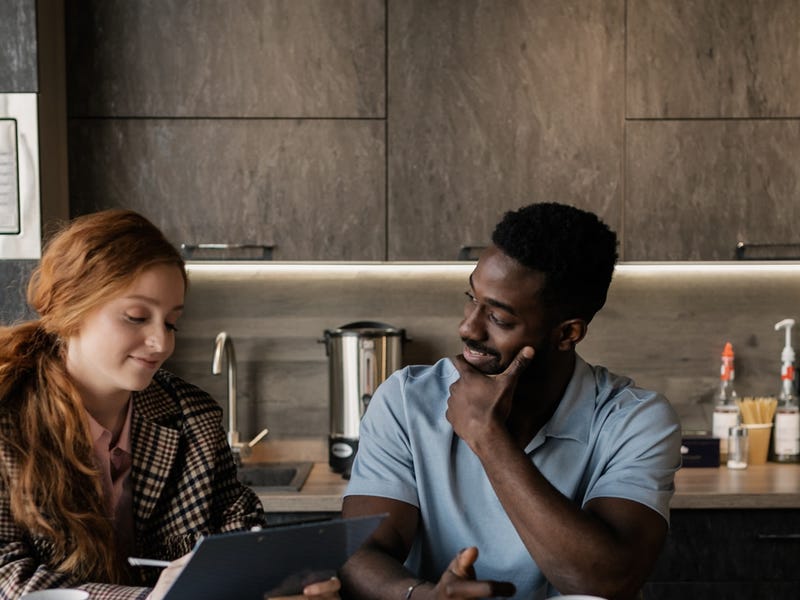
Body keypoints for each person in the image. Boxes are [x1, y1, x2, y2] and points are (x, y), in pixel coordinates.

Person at [340, 202, 682, 600]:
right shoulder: (405, 400)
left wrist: (487, 437)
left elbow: (606, 581)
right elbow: (358, 554)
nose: (467, 327)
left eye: (499, 319)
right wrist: (421, 597)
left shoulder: (635, 420)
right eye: (472, 298)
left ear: (567, 333)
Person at [0, 210, 341, 600]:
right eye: (136, 317)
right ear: (70, 309)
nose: (161, 343)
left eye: (171, 322)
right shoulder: (8, 421)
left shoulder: (193, 418)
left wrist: (279, 580)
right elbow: (7, 577)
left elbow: (241, 531)